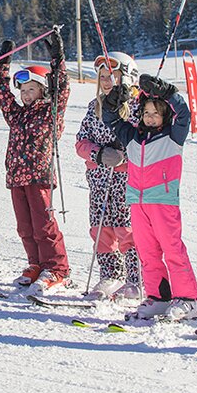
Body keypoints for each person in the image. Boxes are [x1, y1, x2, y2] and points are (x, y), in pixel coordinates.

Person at [102, 74, 197, 322]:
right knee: (147, 251)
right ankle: (159, 297)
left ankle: (188, 300)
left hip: (163, 201)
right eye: (146, 112)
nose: (149, 117)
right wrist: (112, 102)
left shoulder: (173, 135)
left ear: (165, 116)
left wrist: (167, 93)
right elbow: (111, 120)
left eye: (155, 113)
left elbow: (184, 114)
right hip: (137, 201)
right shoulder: (134, 136)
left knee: (172, 249)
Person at [0, 27, 71, 292]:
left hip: (40, 177)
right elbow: (1, 93)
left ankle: (57, 268)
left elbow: (62, 86)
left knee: (44, 226)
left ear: (43, 90)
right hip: (16, 177)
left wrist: (57, 57)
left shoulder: (51, 111)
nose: (25, 95)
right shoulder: (16, 114)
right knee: (25, 227)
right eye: (22, 90)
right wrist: (3, 63)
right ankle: (35, 263)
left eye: (31, 89)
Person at [75, 53, 143, 300]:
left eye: (112, 77)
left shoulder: (138, 107)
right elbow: (80, 142)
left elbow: (144, 141)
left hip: (126, 179)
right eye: (102, 77)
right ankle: (111, 273)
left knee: (126, 227)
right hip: (99, 178)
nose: (105, 82)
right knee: (100, 227)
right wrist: (98, 153)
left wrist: (124, 156)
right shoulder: (95, 108)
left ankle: (136, 277)